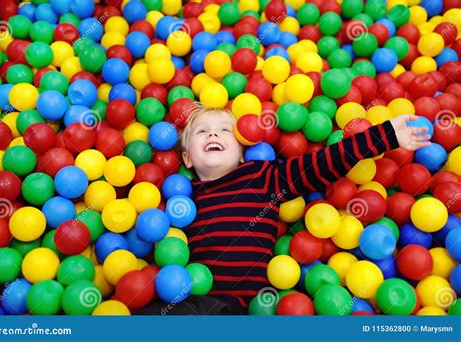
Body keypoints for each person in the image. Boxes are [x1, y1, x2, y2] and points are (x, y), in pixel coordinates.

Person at [135, 105, 431, 315]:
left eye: (224, 130)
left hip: (237, 307)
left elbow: (321, 165)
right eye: (202, 132)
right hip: (186, 297)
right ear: (187, 158)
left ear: (241, 153)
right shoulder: (180, 198)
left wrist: (386, 135)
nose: (213, 136)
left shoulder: (262, 176)